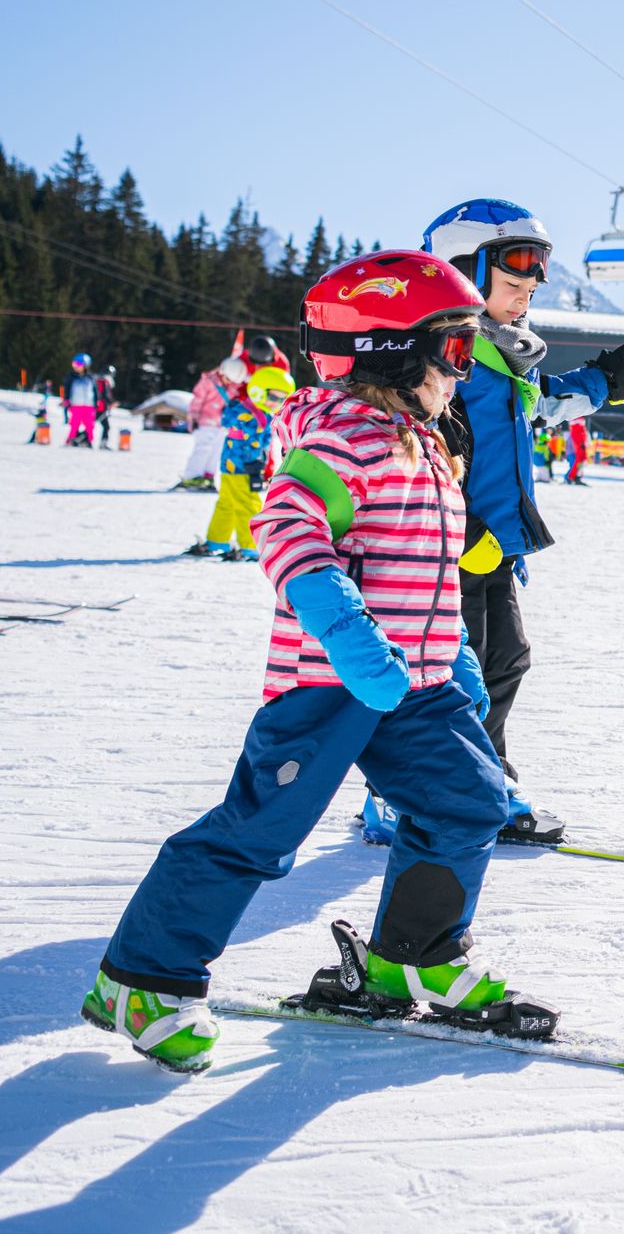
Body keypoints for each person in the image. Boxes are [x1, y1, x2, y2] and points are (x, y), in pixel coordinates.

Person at [82, 251, 519, 1074]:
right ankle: (143, 979)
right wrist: (355, 644)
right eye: (458, 352)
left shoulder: (423, 444)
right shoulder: (341, 436)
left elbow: (425, 571)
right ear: (392, 352)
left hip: (420, 686)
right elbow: (286, 536)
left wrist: (454, 657)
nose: (465, 373)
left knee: (471, 803)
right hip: (328, 688)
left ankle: (411, 954)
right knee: (259, 831)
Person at [419, 200, 624, 844]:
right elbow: (415, 446)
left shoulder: (502, 358)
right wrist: (461, 529)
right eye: (513, 284)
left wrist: (607, 378)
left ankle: (470, 784)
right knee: (456, 676)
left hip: (491, 545)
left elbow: (538, 406)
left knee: (495, 662)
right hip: (443, 550)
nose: (525, 296)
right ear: (465, 272)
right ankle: (433, 794)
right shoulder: (441, 361)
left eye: (531, 286)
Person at [192, 363, 293, 560]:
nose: (276, 402)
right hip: (243, 468)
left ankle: (217, 540)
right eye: (273, 397)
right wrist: (256, 467)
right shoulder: (253, 415)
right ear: (257, 392)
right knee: (247, 504)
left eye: (282, 398)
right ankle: (250, 546)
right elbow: (249, 440)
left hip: (231, 465)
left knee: (228, 503)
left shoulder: (251, 411)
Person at [178, 357, 243, 490]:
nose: (230, 382)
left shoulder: (232, 386)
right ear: (222, 372)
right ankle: (192, 476)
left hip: (222, 425)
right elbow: (197, 400)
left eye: (232, 381)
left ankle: (208, 476)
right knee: (203, 449)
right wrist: (193, 418)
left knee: (216, 451)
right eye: (229, 379)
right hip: (205, 423)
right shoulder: (208, 382)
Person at [63, 354, 102, 448]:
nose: (76, 366)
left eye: (78, 364)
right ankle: (71, 440)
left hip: (89, 406)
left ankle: (88, 441)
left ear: (85, 365)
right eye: (74, 364)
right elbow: (67, 390)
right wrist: (67, 400)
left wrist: (97, 401)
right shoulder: (71, 377)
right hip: (76, 405)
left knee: (90, 425)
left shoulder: (91, 378)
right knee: (74, 424)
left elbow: (95, 391)